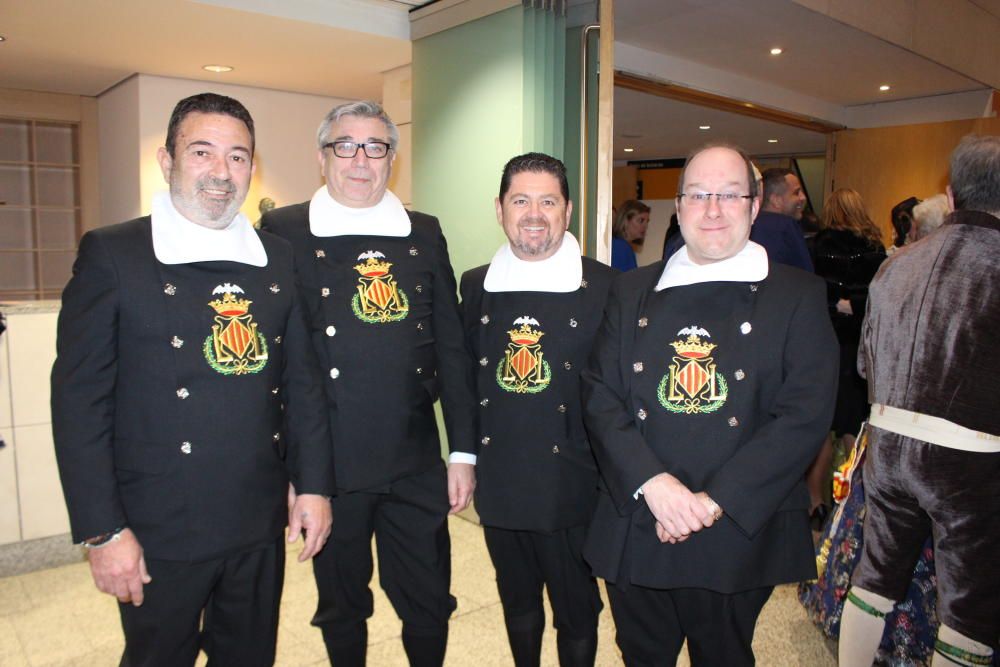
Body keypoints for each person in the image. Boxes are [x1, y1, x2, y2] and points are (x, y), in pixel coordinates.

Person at [51, 92, 335, 666]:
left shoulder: (277, 258)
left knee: (251, 656)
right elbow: (79, 404)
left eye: (237, 157)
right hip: (158, 521)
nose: (220, 171)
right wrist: (103, 532)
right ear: (167, 161)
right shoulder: (114, 254)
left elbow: (301, 384)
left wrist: (313, 485)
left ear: (251, 169)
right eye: (201, 152)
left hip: (255, 516)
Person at [581, 142, 837, 666]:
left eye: (728, 194)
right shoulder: (632, 290)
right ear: (678, 207)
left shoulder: (796, 294)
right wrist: (656, 485)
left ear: (754, 202)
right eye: (698, 195)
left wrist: (710, 502)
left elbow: (804, 414)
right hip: (641, 514)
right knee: (641, 654)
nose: (713, 210)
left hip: (737, 523)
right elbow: (600, 392)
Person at [260, 100, 476, 667]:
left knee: (429, 598)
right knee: (342, 602)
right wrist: (292, 470)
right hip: (329, 461)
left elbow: (452, 349)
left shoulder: (423, 232)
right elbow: (274, 361)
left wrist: (463, 450)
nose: (361, 160)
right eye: (346, 146)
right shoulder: (284, 229)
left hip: (413, 456)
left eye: (376, 147)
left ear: (392, 160)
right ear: (323, 157)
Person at [838, 135, 1000, 667]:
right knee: (968, 609)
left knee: (873, 580)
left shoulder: (896, 264)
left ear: (950, 195)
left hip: (888, 447)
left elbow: (866, 365)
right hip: (971, 460)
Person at [459, 153, 616, 666]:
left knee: (576, 609)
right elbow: (463, 379)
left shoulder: (606, 287)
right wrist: (462, 456)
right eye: (520, 200)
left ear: (567, 211)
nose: (534, 213)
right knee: (517, 599)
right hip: (501, 477)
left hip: (575, 480)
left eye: (547, 200)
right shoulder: (475, 284)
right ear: (499, 209)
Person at [806, 188, 886, 524]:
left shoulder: (815, 246)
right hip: (858, 345)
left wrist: (835, 304)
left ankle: (814, 503)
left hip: (823, 342)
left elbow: (810, 291)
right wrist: (853, 303)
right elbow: (881, 294)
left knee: (822, 427)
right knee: (854, 426)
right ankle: (852, 503)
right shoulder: (874, 250)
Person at [751, 167, 814, 271]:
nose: (803, 197)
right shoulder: (787, 227)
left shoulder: (748, 224)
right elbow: (806, 276)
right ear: (776, 200)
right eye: (796, 192)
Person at [611, 199, 649, 271]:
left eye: (647, 221)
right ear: (626, 220)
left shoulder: (618, 244)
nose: (645, 226)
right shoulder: (621, 247)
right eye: (641, 220)